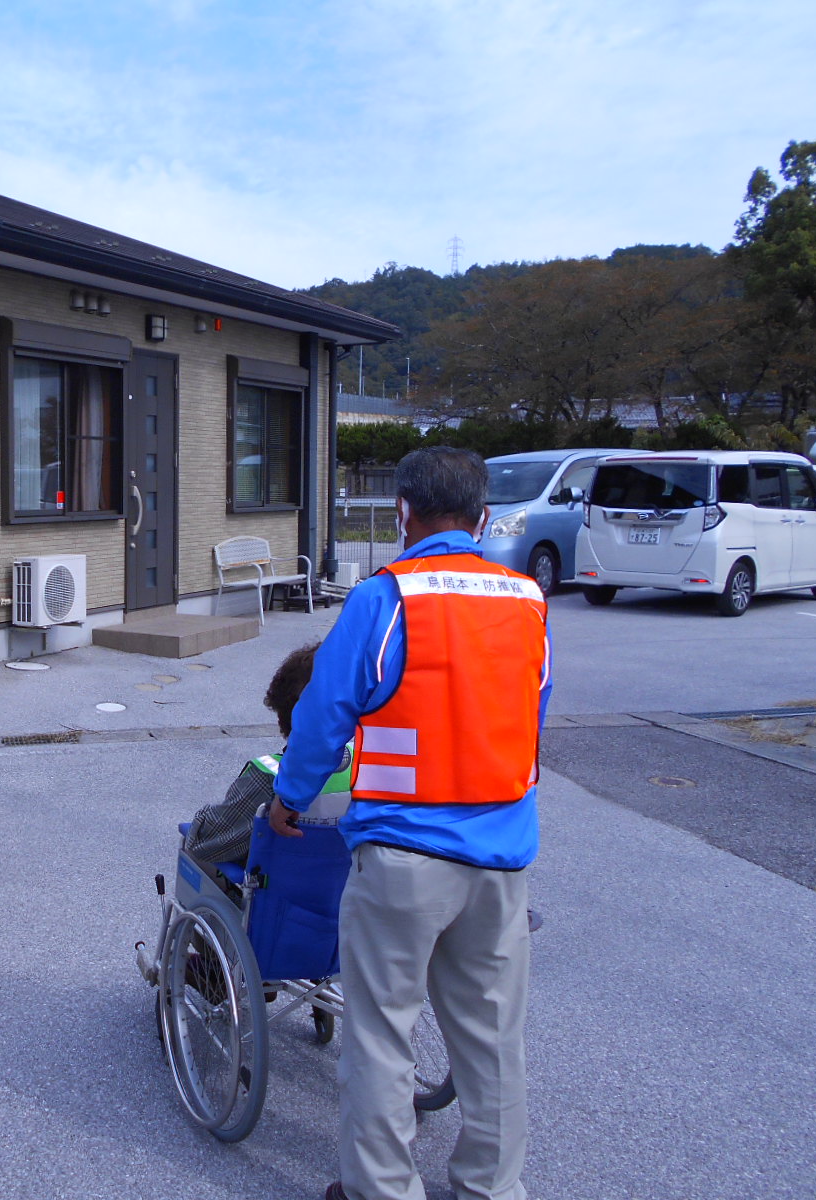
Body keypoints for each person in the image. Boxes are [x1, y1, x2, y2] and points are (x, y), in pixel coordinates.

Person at [270, 446, 551, 1200]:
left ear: (403, 513)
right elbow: (532, 719)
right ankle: (491, 1190)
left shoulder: (385, 598)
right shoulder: (528, 601)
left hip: (403, 856)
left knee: (382, 1035)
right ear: (484, 518)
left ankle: (383, 1191)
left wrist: (288, 801)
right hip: (500, 855)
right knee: (493, 1042)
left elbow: (322, 716)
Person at [182, 644, 351, 867]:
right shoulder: (367, 768)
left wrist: (201, 819)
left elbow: (206, 843)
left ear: (284, 708)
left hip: (279, 897)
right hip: (347, 895)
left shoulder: (269, 776)